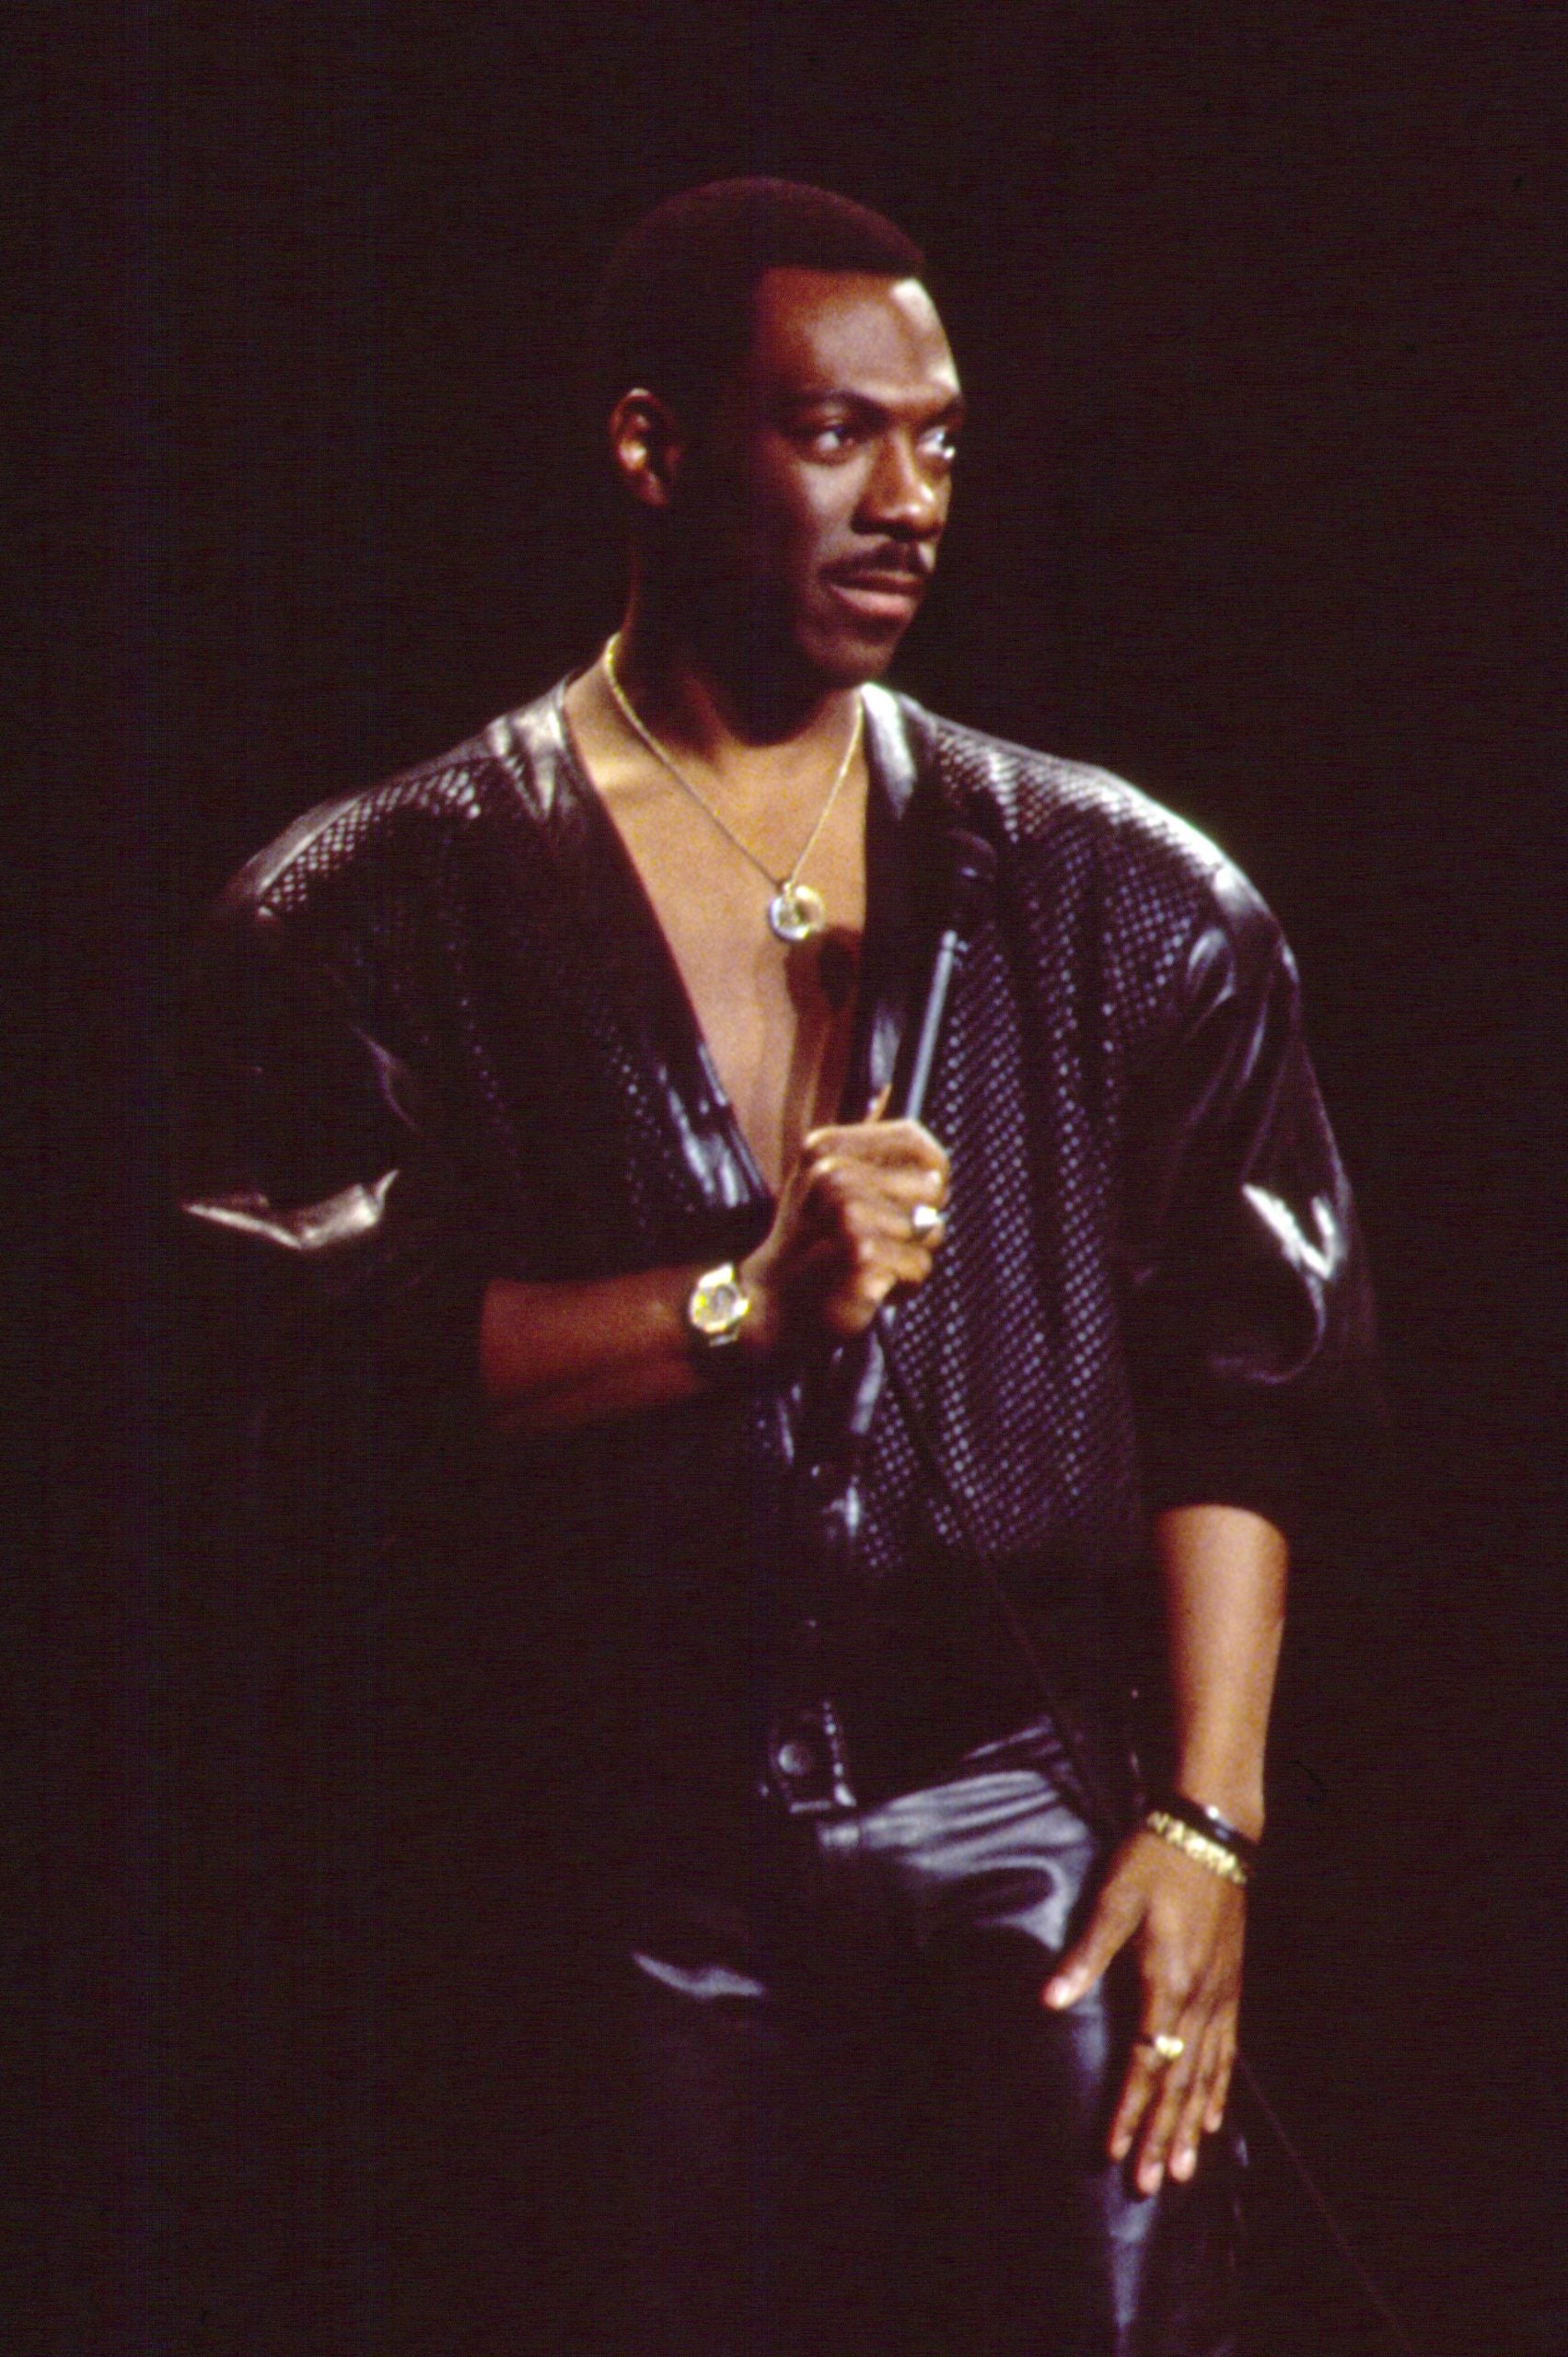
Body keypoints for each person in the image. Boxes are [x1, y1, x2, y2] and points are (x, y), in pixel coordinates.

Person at [177, 180, 1372, 2355]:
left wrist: (1207, 1820)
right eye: (837, 433)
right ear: (652, 444)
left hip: (1025, 1830)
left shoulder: (1125, 897)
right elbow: (307, 1374)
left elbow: (1248, 1382)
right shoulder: (369, 908)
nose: (909, 501)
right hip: (594, 1857)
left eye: (940, 441)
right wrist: (739, 1302)